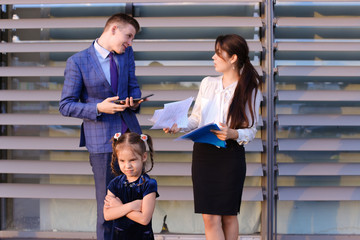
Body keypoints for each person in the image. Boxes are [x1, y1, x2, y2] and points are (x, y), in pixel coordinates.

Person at [163, 34, 263, 240]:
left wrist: (232, 133)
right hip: (203, 154)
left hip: (230, 155)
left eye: (218, 53)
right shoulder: (207, 83)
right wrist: (178, 126)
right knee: (209, 217)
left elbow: (251, 130)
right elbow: (196, 119)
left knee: (228, 216)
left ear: (233, 58)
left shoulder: (250, 90)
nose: (213, 57)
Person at [59, 13, 142, 240]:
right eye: (129, 36)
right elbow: (66, 106)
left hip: (131, 139)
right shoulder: (77, 62)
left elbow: (134, 88)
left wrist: (133, 102)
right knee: (108, 206)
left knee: (135, 203)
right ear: (113, 29)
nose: (130, 43)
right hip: (102, 143)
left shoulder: (127, 55)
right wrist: (98, 108)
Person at [103, 132, 159, 240]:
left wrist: (118, 208)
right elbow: (107, 215)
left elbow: (144, 219)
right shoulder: (114, 184)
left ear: (143, 157)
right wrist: (132, 206)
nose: (127, 165)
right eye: (122, 161)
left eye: (132, 160)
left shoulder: (148, 184)